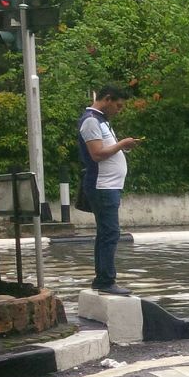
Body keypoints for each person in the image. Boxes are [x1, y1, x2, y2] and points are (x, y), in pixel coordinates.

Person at [77, 85, 141, 295]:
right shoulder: (91, 121)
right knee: (110, 233)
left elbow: (106, 151)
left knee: (106, 233)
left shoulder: (101, 121)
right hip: (102, 185)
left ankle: (103, 280)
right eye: (118, 105)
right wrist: (122, 143)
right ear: (107, 99)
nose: (119, 110)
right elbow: (96, 154)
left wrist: (122, 146)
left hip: (110, 185)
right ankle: (105, 281)